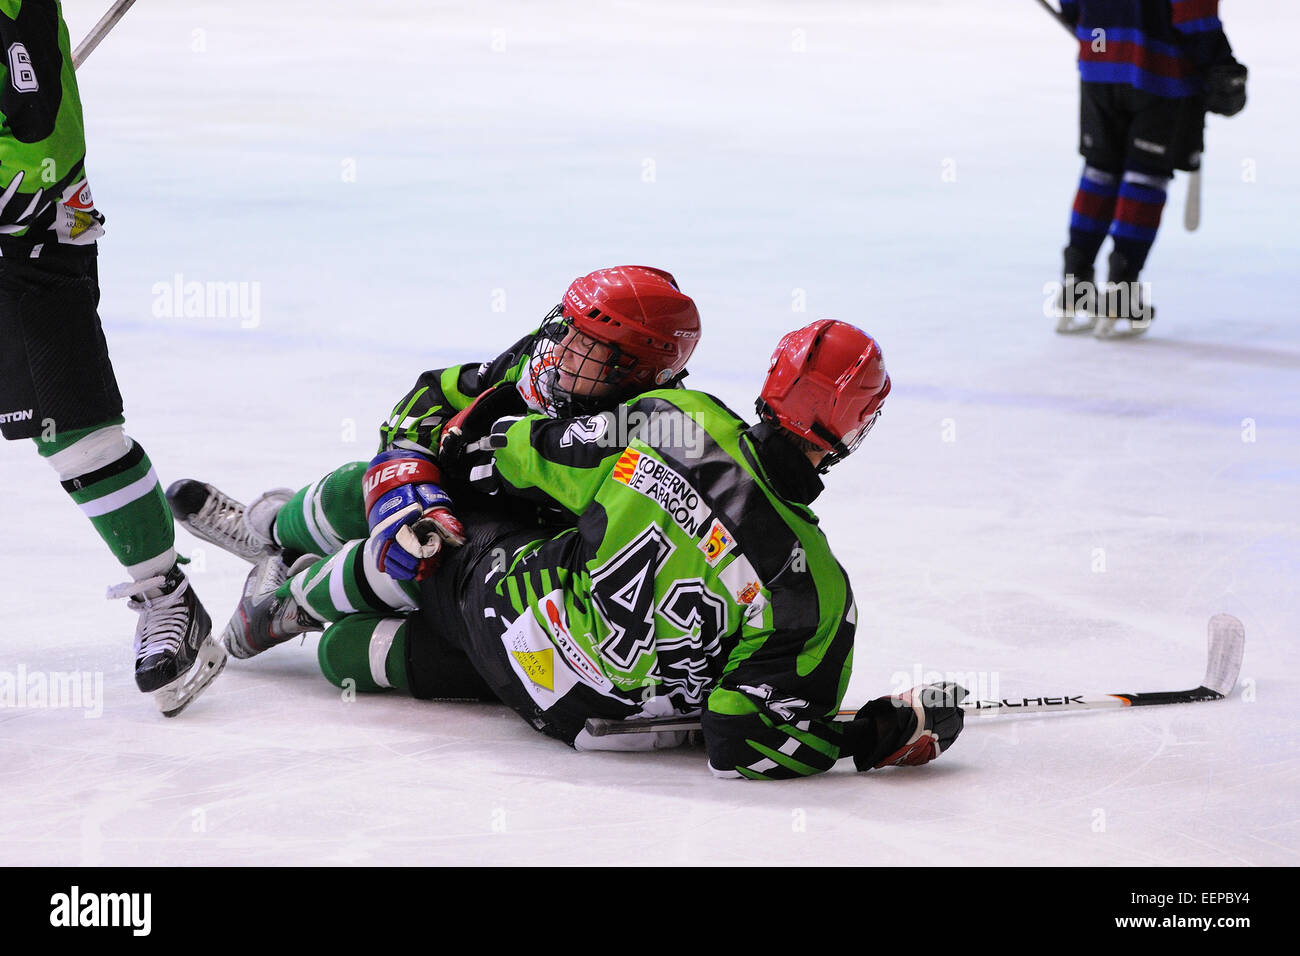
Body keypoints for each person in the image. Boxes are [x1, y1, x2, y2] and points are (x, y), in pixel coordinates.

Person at [310, 319, 966, 779]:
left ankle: (289, 586)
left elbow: (516, 453)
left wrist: (423, 467)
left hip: (509, 618)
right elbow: (744, 744)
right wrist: (874, 735)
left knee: (436, 529)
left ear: (774, 378)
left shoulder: (673, 420)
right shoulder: (815, 591)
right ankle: (326, 630)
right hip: (573, 712)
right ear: (857, 430)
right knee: (355, 654)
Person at [175, 266, 702, 701]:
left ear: (641, 373)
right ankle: (273, 537)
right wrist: (407, 491)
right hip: (453, 532)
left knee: (345, 657)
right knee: (354, 490)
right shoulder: (541, 363)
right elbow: (427, 401)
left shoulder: (645, 447)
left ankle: (298, 581)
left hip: (508, 597)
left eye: (589, 348)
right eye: (565, 329)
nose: (562, 354)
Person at [0, 1, 221, 715]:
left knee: (74, 431)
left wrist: (17, 185)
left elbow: (40, 136)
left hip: (35, 232)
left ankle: (169, 598)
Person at [1054, 0, 1247, 337]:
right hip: (1160, 68)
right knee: (1145, 176)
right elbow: (1191, 11)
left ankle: (1076, 287)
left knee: (1099, 170)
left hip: (1099, 66)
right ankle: (1121, 292)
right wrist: (1219, 62)